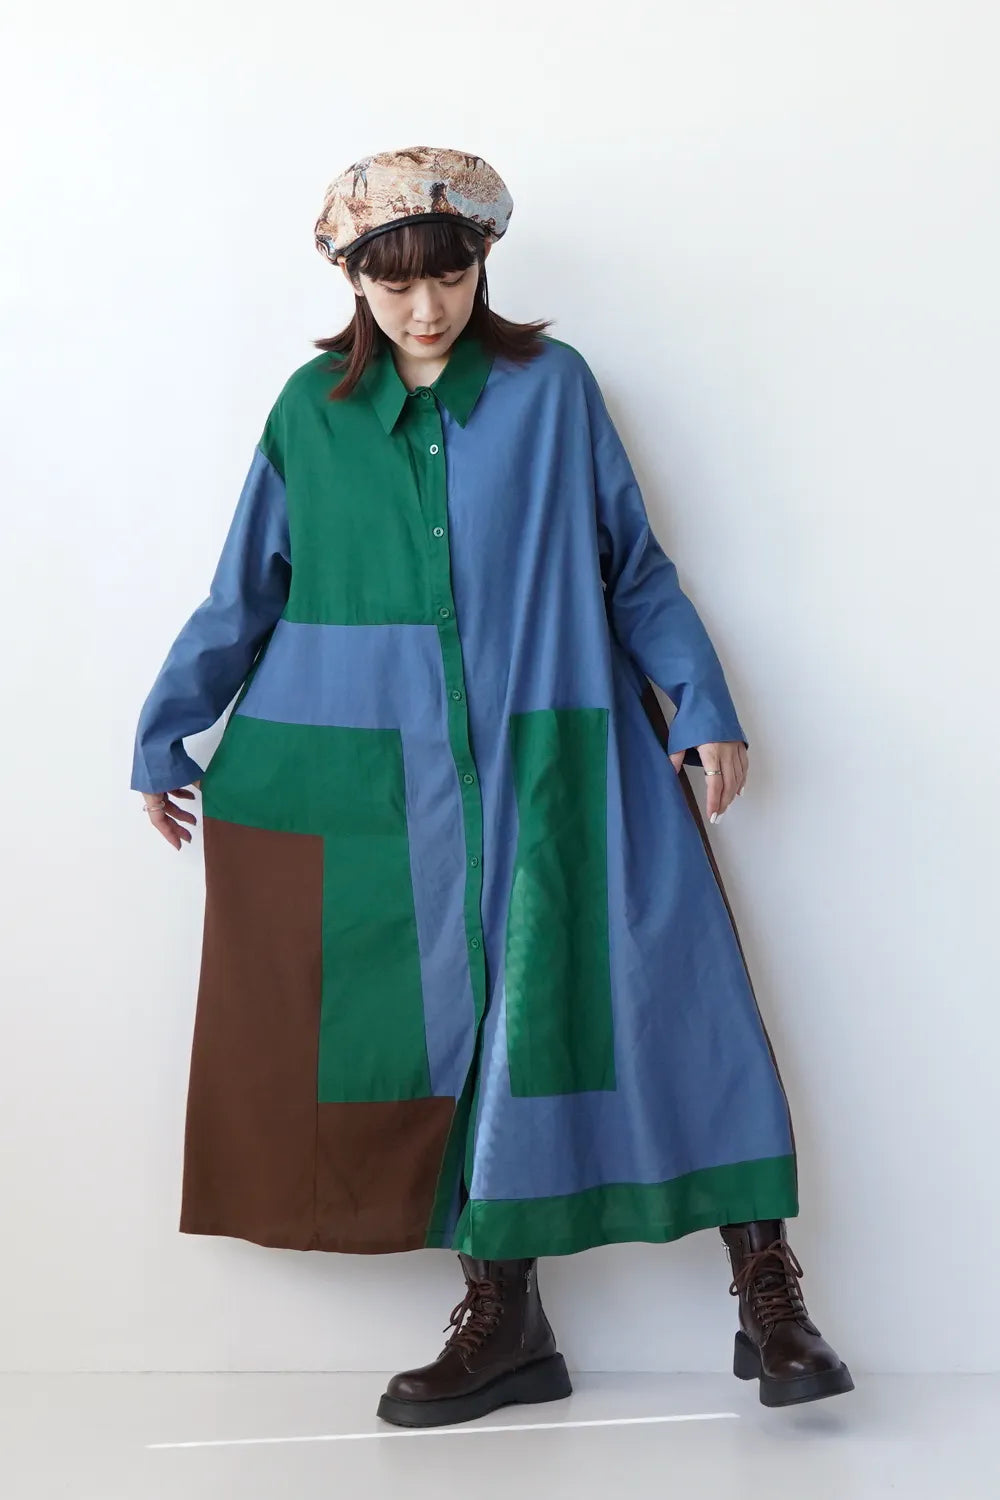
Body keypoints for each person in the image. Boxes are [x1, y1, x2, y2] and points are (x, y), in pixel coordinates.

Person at [131, 145, 853, 1428]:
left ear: (482, 264)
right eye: (394, 283)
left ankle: (769, 1296)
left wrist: (699, 700)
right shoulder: (311, 412)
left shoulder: (550, 388)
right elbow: (248, 589)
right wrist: (168, 727)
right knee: (447, 1033)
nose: (426, 309)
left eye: (450, 276)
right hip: (385, 779)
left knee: (666, 996)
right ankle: (504, 1319)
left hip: (560, 749)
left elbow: (631, 564)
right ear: (352, 279)